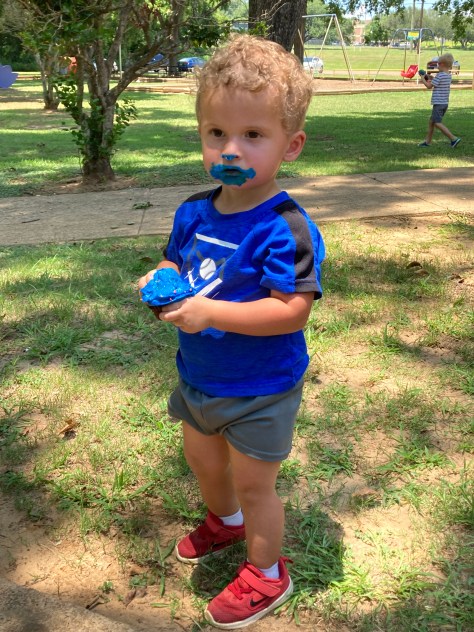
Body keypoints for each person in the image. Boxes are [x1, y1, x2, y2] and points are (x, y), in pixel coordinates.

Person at [138, 34, 325, 629]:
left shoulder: (283, 227)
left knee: (253, 484)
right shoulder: (193, 211)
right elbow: (175, 261)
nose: (231, 149)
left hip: (260, 388)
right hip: (199, 377)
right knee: (202, 461)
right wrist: (162, 277)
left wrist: (211, 314)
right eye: (216, 132)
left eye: (253, 135)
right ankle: (225, 524)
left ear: (290, 145)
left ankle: (268, 573)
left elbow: (292, 310)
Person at [418, 53, 461, 148]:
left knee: (437, 123)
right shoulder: (448, 75)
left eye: (437, 63)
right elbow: (436, 81)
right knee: (431, 122)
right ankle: (427, 142)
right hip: (444, 103)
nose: (437, 65)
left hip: (438, 104)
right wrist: (428, 77)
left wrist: (422, 78)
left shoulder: (440, 75)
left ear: (441, 64)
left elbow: (429, 86)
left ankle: (453, 139)